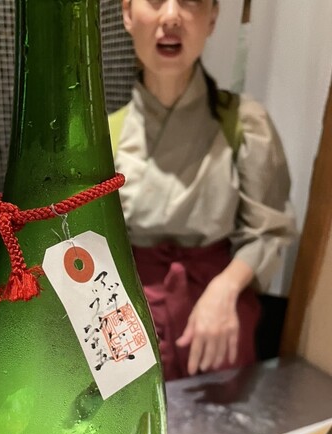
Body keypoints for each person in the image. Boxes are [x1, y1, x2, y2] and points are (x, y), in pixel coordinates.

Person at [111, 0, 296, 381]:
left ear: (212, 17)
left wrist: (226, 288)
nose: (171, 16)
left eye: (190, 0)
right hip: (128, 318)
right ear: (128, 13)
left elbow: (268, 230)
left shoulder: (245, 123)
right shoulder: (103, 135)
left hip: (219, 320)